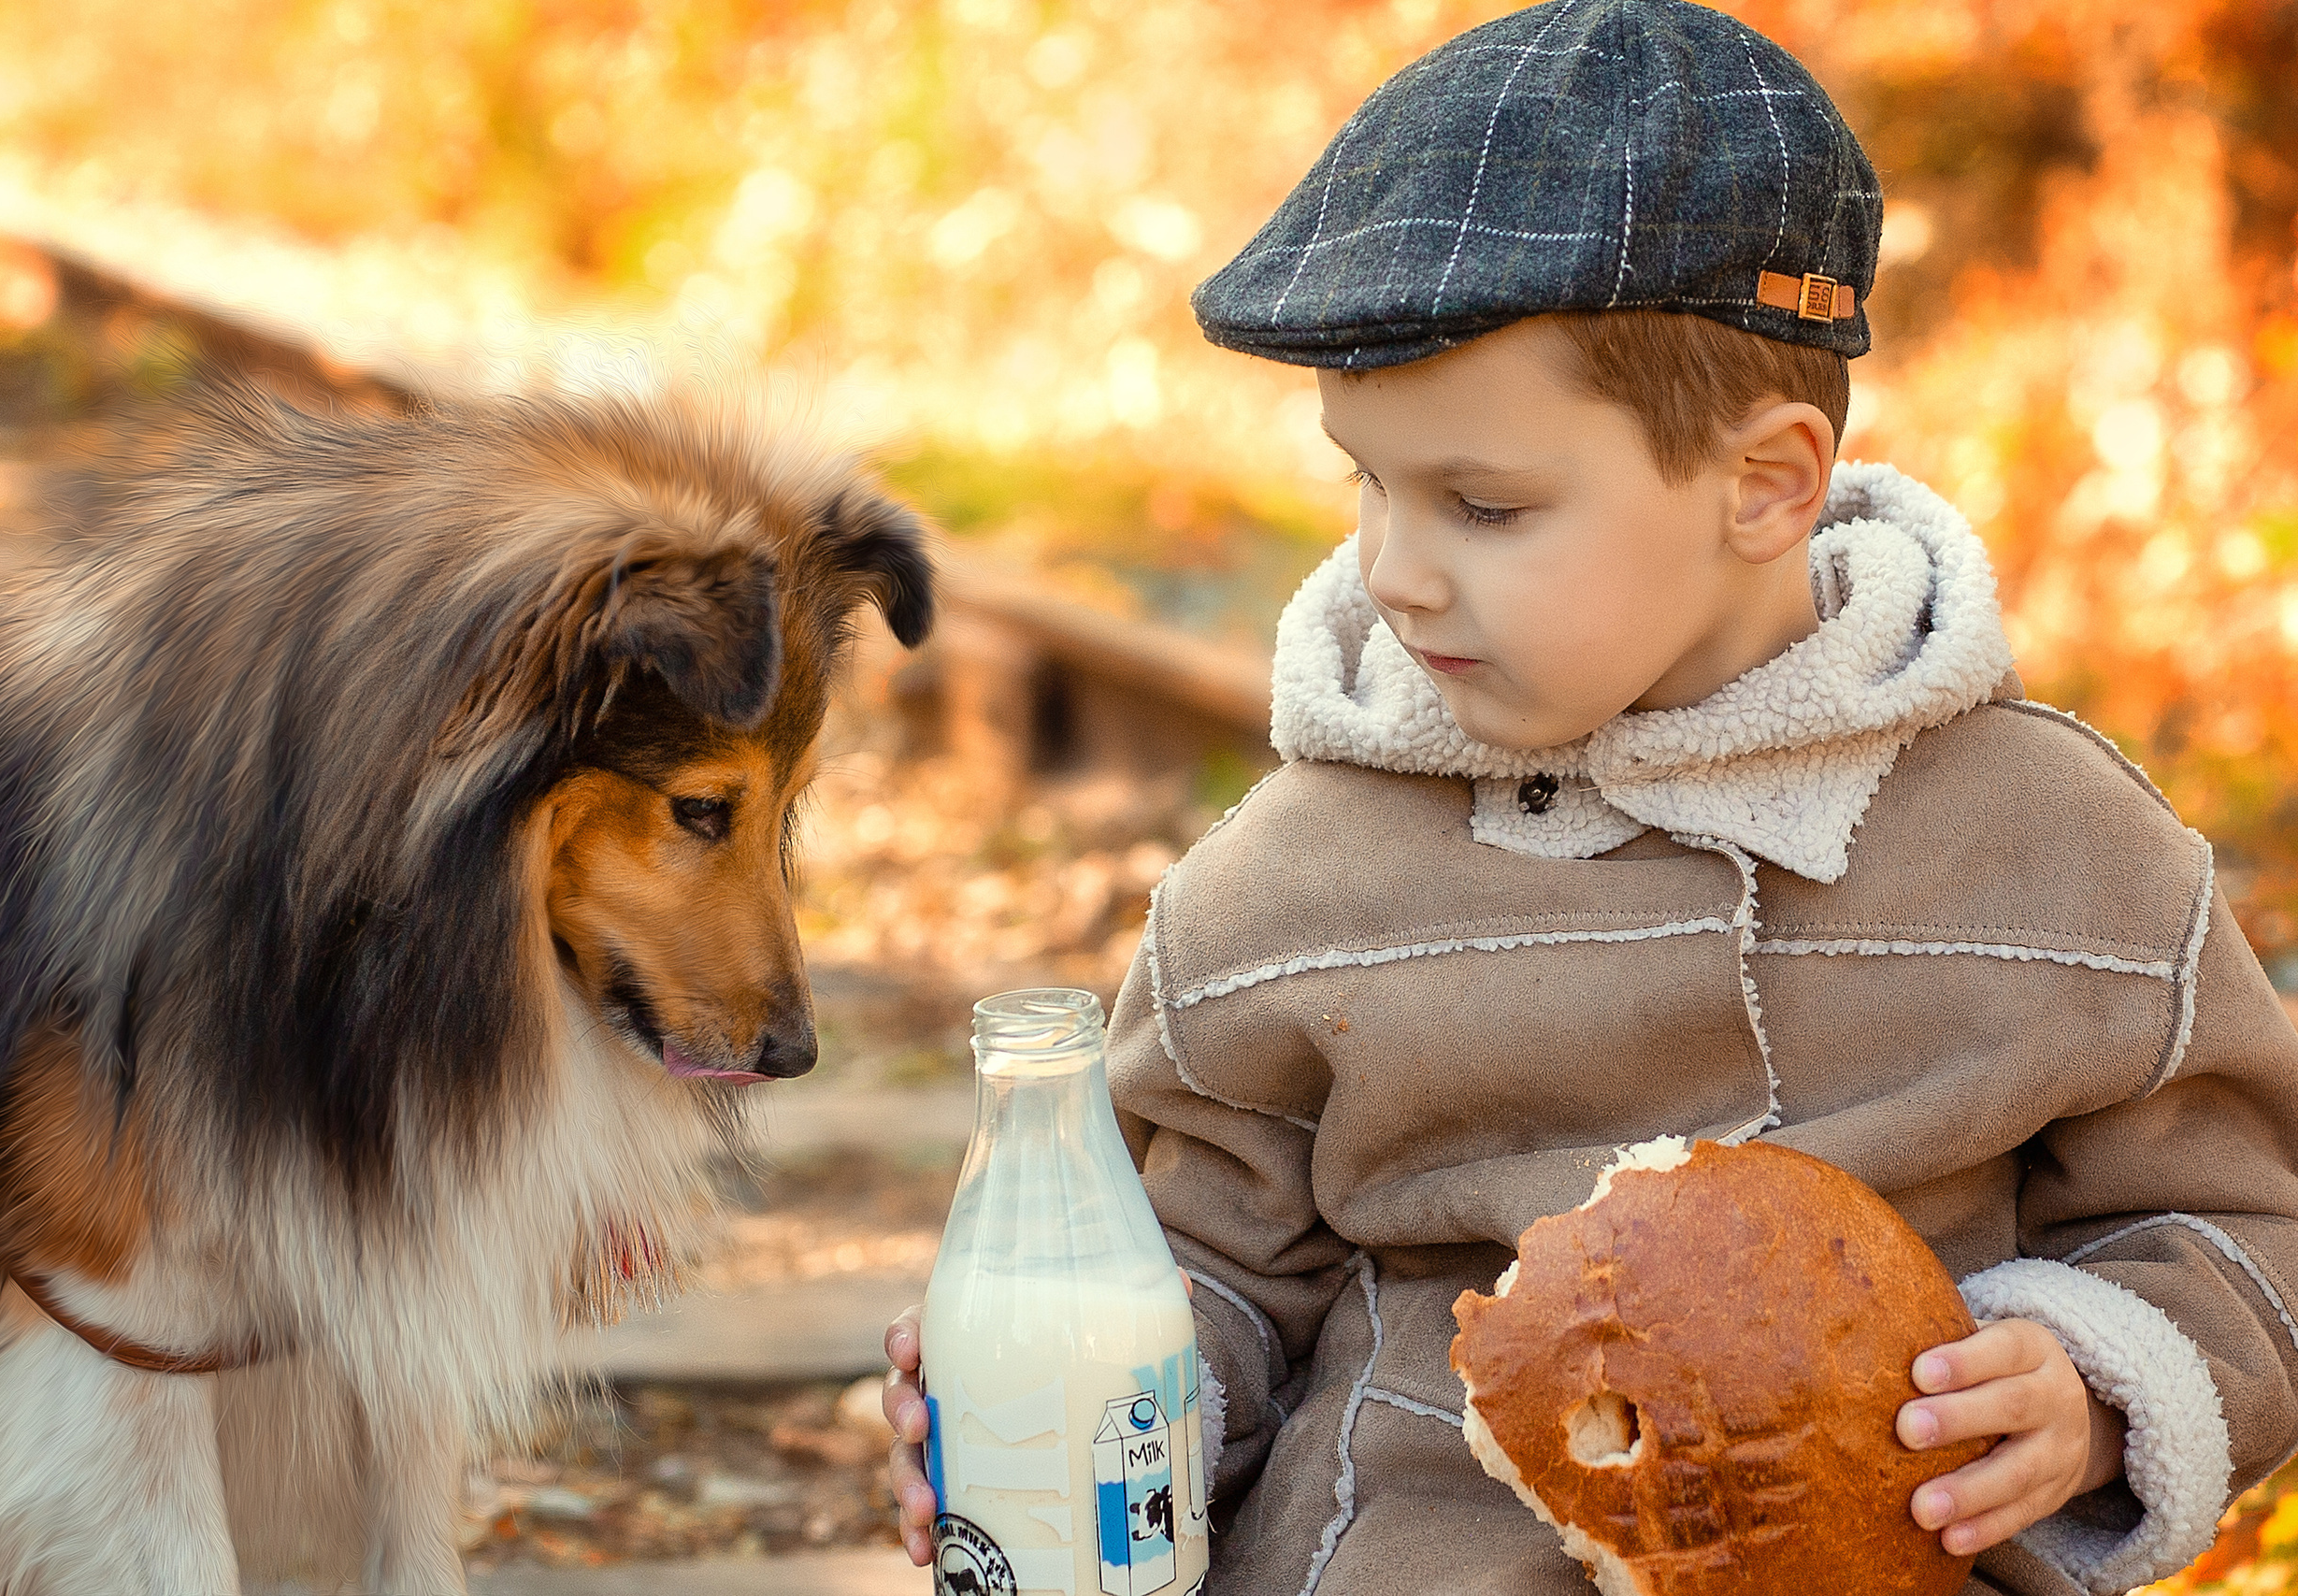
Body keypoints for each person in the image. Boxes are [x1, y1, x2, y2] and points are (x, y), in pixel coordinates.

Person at [883, 3, 2298, 1591]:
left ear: (1767, 484)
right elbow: (1200, 1255)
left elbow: (2246, 1216)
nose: (1392, 570)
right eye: (1368, 479)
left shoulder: (2055, 853)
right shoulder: (1293, 889)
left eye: (1483, 505)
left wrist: (2099, 1386)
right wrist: (1074, 1394)